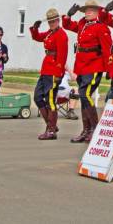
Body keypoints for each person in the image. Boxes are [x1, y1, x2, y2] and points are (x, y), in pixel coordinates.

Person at [62, 0, 112, 143]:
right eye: (86, 10)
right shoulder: (82, 24)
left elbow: (107, 49)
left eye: (91, 10)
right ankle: (86, 130)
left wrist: (109, 68)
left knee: (85, 94)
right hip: (82, 66)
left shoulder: (101, 27)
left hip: (94, 66)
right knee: (84, 98)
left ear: (97, 12)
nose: (87, 12)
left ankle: (95, 129)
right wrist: (68, 15)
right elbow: (67, 25)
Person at [30, 8, 68, 140]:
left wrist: (59, 73)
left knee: (50, 100)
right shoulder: (50, 33)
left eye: (54, 21)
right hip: (46, 69)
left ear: (58, 20)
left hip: (53, 71)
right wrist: (35, 28)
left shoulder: (61, 35)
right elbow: (37, 37)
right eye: (50, 21)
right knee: (37, 97)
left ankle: (51, 131)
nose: (52, 23)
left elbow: (62, 56)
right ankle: (51, 125)